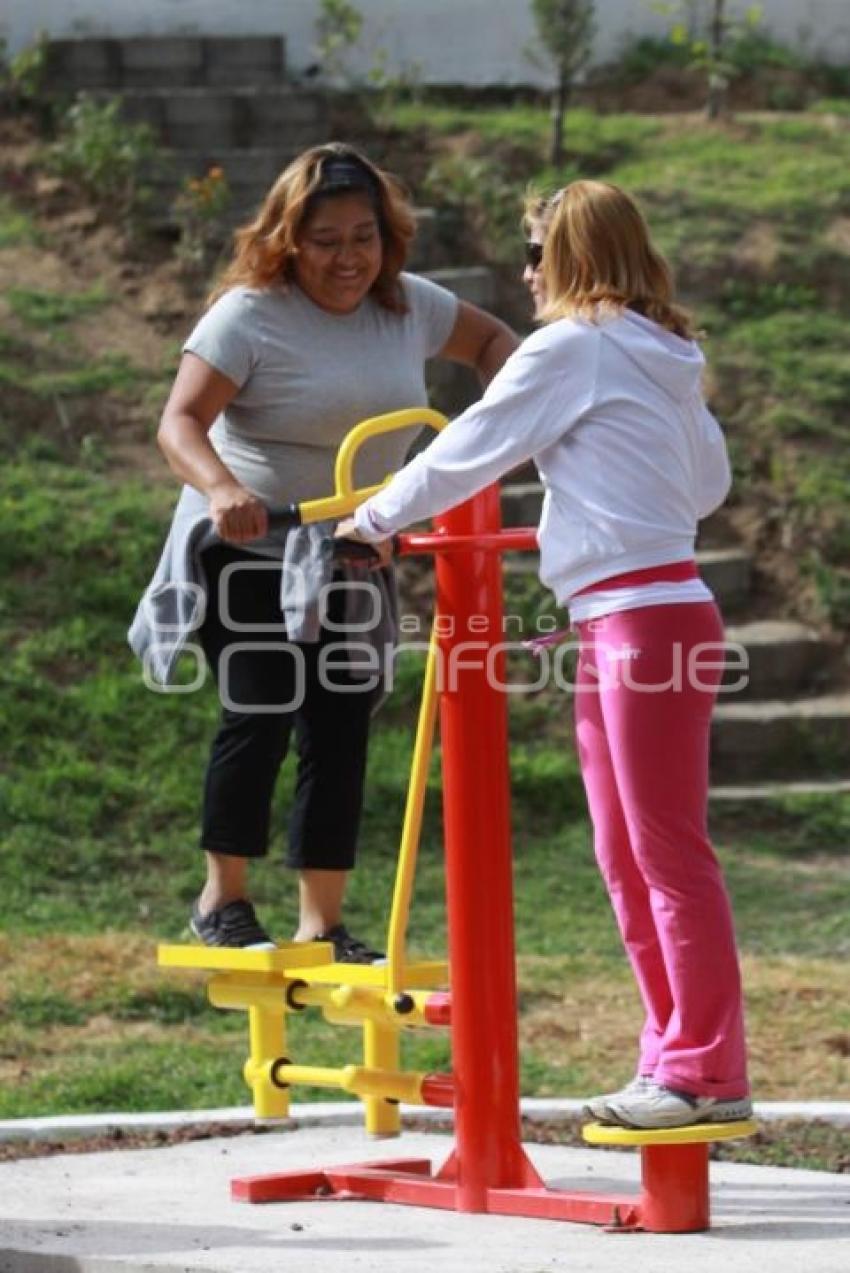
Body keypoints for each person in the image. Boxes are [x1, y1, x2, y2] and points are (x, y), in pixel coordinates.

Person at [337, 179, 751, 1126]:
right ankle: (670, 1054)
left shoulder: (575, 346)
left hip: (643, 618)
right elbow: (710, 484)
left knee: (667, 854)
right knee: (624, 854)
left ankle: (707, 1070)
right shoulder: (668, 353)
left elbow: (475, 443)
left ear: (568, 259)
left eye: (535, 255)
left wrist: (372, 517)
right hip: (639, 609)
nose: (525, 275)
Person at [129, 142, 518, 961]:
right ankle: (223, 897)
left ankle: (324, 922)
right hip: (251, 540)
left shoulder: (409, 304)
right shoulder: (250, 314)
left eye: (364, 236)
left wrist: (511, 424)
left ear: (388, 236)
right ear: (288, 240)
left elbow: (495, 350)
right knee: (264, 707)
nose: (349, 257)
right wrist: (223, 488)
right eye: (327, 240)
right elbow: (180, 422)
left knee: (340, 724)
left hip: (352, 544)